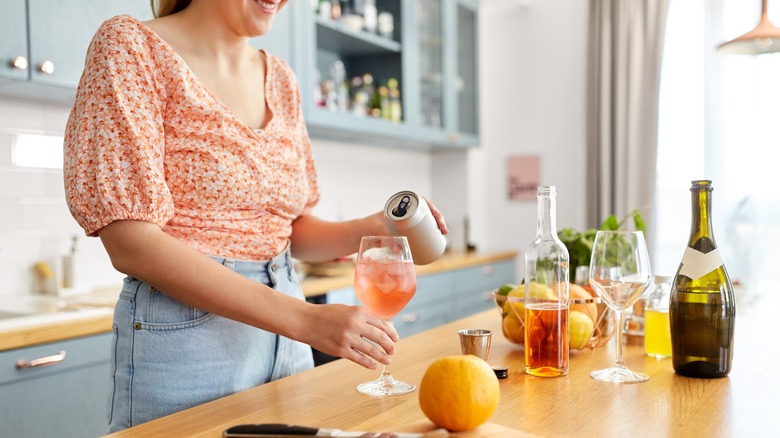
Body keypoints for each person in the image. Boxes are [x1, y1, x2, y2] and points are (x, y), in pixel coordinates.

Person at [63, 0, 448, 432]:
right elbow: (130, 241)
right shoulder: (131, 47)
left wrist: (379, 227)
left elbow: (289, 230)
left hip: (289, 334)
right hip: (188, 344)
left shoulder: (281, 79)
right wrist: (306, 320)